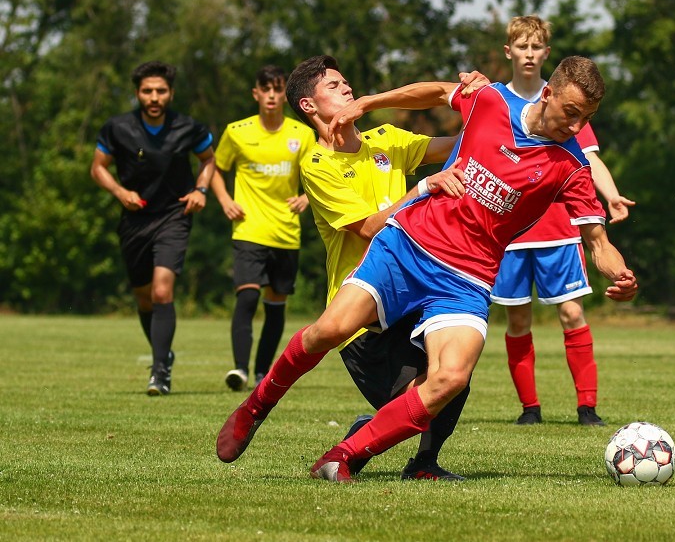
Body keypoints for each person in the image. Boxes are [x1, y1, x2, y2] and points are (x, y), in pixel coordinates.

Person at [216, 56, 638, 483]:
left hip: (468, 277)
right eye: (571, 112)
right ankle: (253, 409)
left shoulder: (571, 166)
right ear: (547, 93)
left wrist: (619, 273)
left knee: (451, 377)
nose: (576, 125)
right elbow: (437, 91)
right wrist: (369, 102)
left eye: (585, 117)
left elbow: (598, 243)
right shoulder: (491, 100)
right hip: (408, 247)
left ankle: (344, 456)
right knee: (330, 329)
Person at [286, 55, 482, 480]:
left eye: (346, 82)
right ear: (308, 106)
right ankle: (361, 437)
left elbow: (461, 147)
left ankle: (424, 465)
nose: (347, 89)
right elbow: (370, 227)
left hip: (412, 292)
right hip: (359, 314)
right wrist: (423, 186)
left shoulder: (386, 139)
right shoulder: (317, 166)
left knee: (453, 374)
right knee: (411, 401)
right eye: (334, 86)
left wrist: (478, 103)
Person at [493, 15, 637, 427]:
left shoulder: (568, 109)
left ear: (546, 54)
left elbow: (588, 159)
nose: (529, 53)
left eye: (536, 47)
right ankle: (530, 410)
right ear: (510, 51)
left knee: (572, 313)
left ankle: (587, 407)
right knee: (518, 319)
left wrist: (610, 195)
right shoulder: (497, 100)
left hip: (557, 229)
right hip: (510, 234)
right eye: (522, 47)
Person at [90, 60, 215, 396]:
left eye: (161, 90)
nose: (154, 96)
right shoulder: (118, 128)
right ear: (138, 94)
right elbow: (98, 167)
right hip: (134, 221)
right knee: (144, 299)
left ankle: (160, 372)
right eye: (148, 91)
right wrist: (119, 191)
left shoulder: (189, 127)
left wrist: (201, 190)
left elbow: (208, 159)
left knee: (162, 291)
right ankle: (165, 353)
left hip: (174, 215)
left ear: (170, 93)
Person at [210, 65, 315, 391]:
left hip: (286, 232)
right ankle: (239, 370)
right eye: (265, 89)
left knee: (275, 304)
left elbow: (321, 173)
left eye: (277, 89)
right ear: (256, 93)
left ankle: (260, 374)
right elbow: (214, 168)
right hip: (248, 230)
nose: (271, 95)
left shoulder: (302, 134)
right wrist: (225, 199)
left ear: (285, 94)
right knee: (247, 297)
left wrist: (306, 198)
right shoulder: (237, 131)